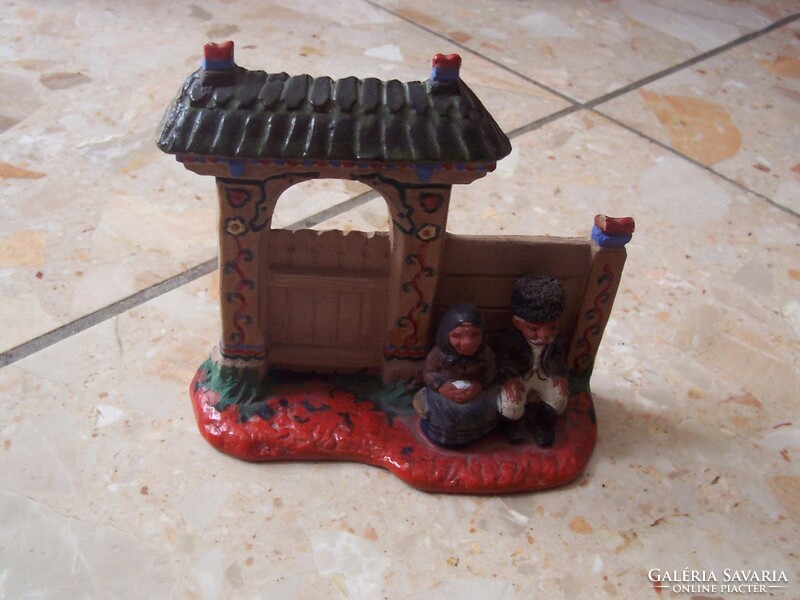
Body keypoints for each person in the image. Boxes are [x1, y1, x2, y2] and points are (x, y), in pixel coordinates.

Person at [496, 276, 569, 447]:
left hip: (544, 374)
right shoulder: (510, 339)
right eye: (534, 329)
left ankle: (542, 424)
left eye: (551, 327)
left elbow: (558, 356)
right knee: (510, 404)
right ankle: (514, 425)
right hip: (520, 376)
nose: (544, 336)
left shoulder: (555, 338)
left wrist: (559, 374)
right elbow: (503, 360)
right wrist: (509, 378)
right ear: (517, 323)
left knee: (559, 398)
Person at [413, 304, 499, 447]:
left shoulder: (486, 354)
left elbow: (491, 371)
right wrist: (442, 387)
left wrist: (480, 385)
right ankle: (444, 437)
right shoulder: (439, 354)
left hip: (475, 387)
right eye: (457, 336)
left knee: (481, 407)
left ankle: (478, 435)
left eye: (475, 335)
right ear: (446, 336)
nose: (467, 343)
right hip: (446, 389)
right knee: (444, 409)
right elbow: (429, 373)